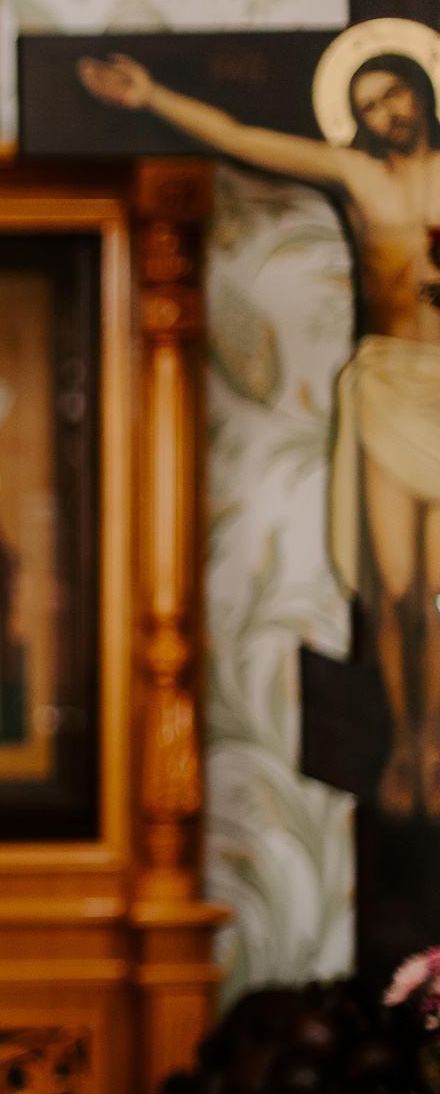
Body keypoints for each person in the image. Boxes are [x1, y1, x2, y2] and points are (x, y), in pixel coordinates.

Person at [78, 45, 440, 813]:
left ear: (422, 90)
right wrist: (152, 95)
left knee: (435, 595)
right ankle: (405, 744)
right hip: (386, 385)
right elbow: (241, 137)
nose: (387, 114)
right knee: (395, 587)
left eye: (395, 95)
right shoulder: (358, 175)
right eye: (370, 105)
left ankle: (432, 741)